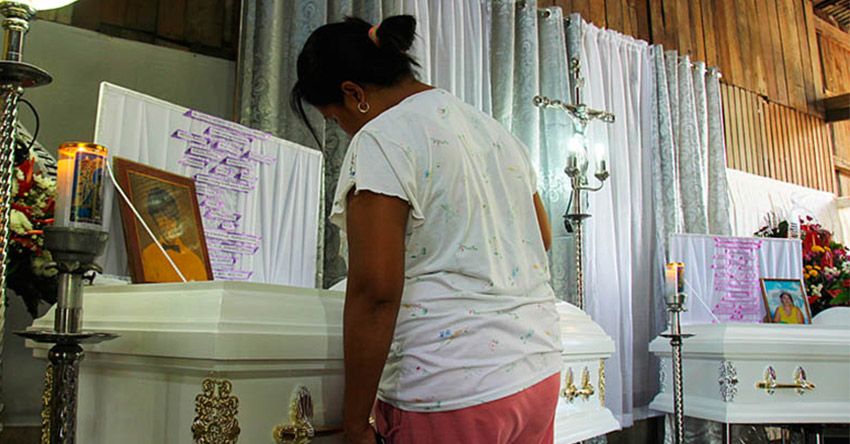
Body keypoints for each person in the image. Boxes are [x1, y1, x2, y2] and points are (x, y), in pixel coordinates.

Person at [291, 15, 563, 444]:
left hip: (452, 388)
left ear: (353, 93)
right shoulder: (492, 131)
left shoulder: (383, 139)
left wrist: (356, 421)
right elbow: (540, 240)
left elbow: (376, 292)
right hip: (537, 374)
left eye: (334, 118)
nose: (342, 130)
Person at [140, 187, 207, 282]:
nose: (168, 226)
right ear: (156, 224)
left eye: (171, 220)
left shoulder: (195, 260)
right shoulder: (148, 255)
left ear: (178, 222)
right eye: (162, 221)